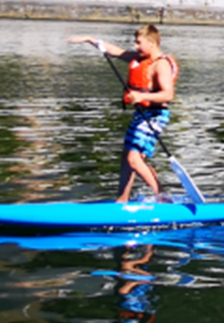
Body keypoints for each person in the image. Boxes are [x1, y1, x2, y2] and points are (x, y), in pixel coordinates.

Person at [68, 25, 178, 202]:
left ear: (152, 43)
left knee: (134, 160)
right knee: (128, 160)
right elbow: (117, 52)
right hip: (141, 115)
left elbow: (168, 95)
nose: (135, 46)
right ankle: (122, 200)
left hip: (155, 116)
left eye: (138, 42)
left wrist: (141, 95)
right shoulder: (140, 58)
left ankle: (163, 197)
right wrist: (91, 40)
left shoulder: (161, 65)